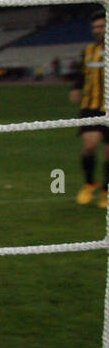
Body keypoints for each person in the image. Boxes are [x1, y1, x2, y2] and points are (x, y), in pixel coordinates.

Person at [72, 12, 108, 206]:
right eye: (95, 27)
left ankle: (105, 190)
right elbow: (82, 72)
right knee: (90, 146)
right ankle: (89, 184)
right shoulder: (88, 50)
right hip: (91, 106)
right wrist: (76, 88)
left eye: (101, 26)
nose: (98, 30)